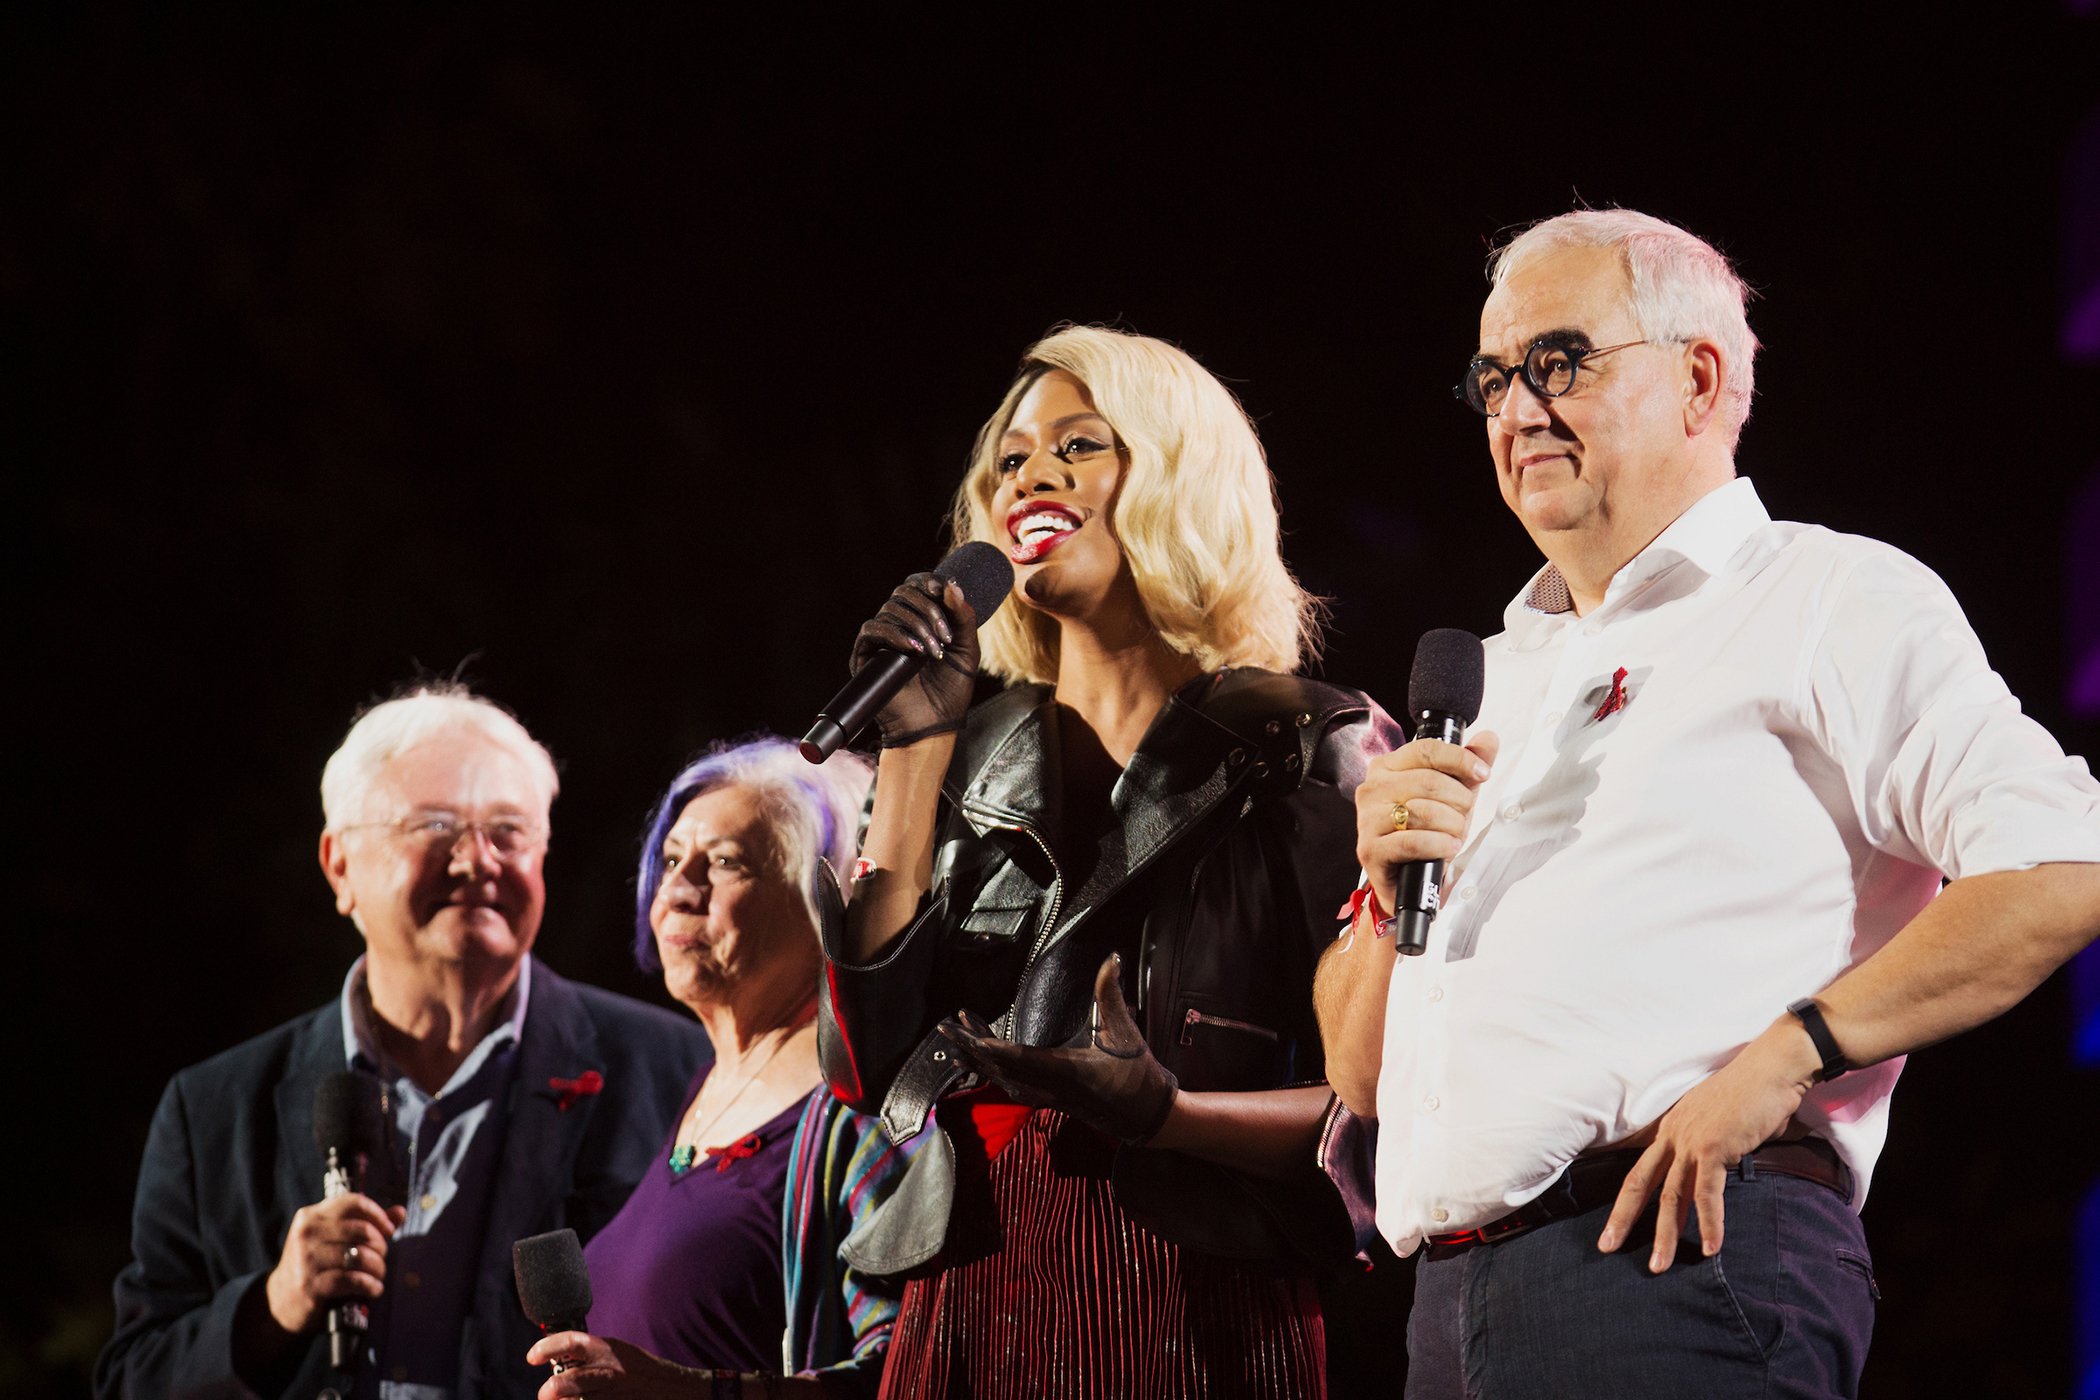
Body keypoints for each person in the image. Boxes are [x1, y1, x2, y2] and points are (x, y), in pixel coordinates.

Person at [1313, 208, 2100, 1398]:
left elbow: (2062, 863)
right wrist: (1384, 896)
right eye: (1492, 378)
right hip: (1450, 1309)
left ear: (1698, 376)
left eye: (1558, 362)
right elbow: (1361, 1080)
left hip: (1676, 1265)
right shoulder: (1488, 675)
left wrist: (1791, 1053)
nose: (1517, 407)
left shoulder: (1827, 594)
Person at [816, 324, 1399, 1398]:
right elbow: (861, 1069)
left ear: (1179, 474)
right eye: (1011, 458)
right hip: (963, 1298)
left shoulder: (1312, 744)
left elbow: (1385, 1108)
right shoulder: (957, 750)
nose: (1031, 473)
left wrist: (1166, 1112)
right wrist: (910, 747)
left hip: (1196, 1296)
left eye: (1079, 445)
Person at [99, 684, 711, 1400]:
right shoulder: (214, 1109)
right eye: (435, 826)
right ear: (339, 867)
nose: (477, 860)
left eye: (509, 831)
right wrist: (272, 1307)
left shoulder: (676, 1075)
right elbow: (131, 1380)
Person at [523, 738, 917, 1399]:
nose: (677, 889)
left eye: (727, 863)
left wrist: (697, 1394)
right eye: (672, 859)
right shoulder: (706, 1087)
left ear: (825, 898)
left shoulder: (861, 1114)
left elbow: (910, 1372)